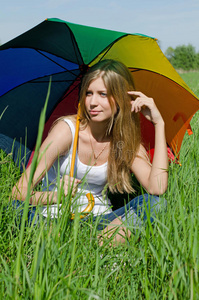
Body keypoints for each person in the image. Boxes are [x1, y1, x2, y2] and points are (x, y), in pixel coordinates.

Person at [12, 59, 168, 244]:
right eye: (88, 93)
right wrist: (56, 196)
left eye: (103, 94)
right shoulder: (67, 131)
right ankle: (67, 245)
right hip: (53, 219)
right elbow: (18, 192)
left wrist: (159, 124)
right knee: (14, 208)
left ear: (121, 99)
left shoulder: (124, 141)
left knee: (156, 205)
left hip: (100, 221)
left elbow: (156, 188)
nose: (93, 102)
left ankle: (100, 246)